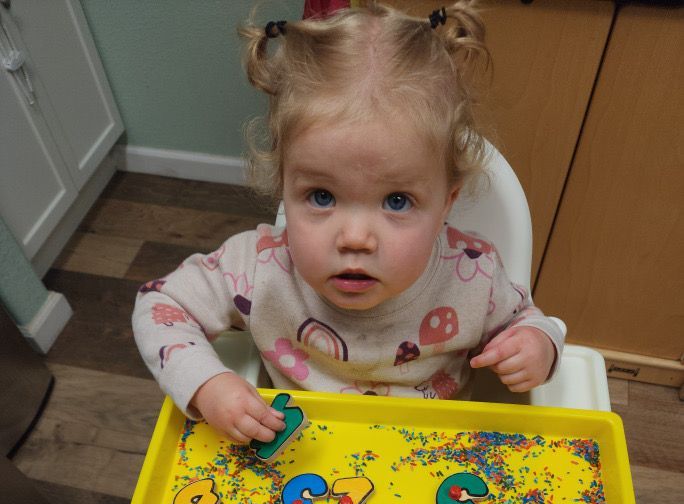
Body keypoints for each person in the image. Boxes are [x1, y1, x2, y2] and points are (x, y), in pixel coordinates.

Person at [133, 2, 564, 445]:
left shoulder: (472, 275)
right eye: (322, 196)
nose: (355, 238)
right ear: (284, 184)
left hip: (434, 463)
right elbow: (160, 306)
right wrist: (207, 385)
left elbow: (530, 321)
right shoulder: (256, 269)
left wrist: (537, 345)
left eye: (397, 201)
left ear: (445, 204)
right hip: (300, 462)